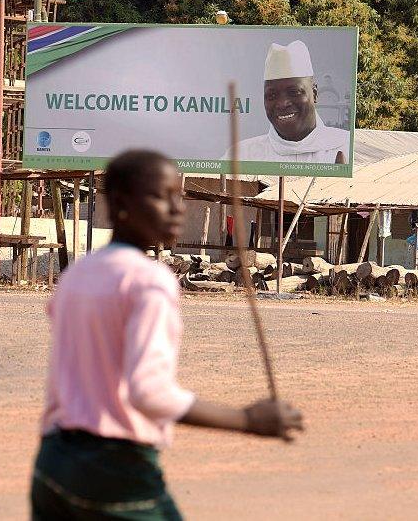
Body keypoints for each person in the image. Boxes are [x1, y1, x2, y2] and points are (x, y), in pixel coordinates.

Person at [30, 149, 304, 520]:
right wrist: (249, 421)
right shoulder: (150, 280)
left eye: (180, 197)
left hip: (53, 464)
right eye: (162, 196)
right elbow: (149, 392)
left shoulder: (78, 274)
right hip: (115, 469)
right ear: (123, 203)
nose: (178, 209)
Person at [226, 40, 350, 164]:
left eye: (294, 92)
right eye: (272, 95)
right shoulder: (241, 155)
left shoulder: (345, 146)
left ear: (315, 93)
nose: (282, 103)